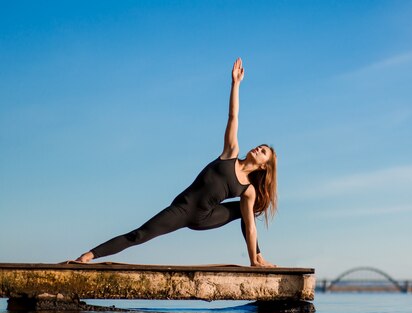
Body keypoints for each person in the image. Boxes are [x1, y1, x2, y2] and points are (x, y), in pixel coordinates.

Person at [75, 58, 277, 267]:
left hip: (207, 217)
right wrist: (235, 84)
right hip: (182, 210)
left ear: (264, 166)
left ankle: (256, 259)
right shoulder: (230, 153)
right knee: (139, 235)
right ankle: (87, 256)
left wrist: (254, 255)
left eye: (263, 152)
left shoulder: (248, 190)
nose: (257, 149)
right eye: (259, 146)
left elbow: (251, 227)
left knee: (246, 213)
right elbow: (233, 117)